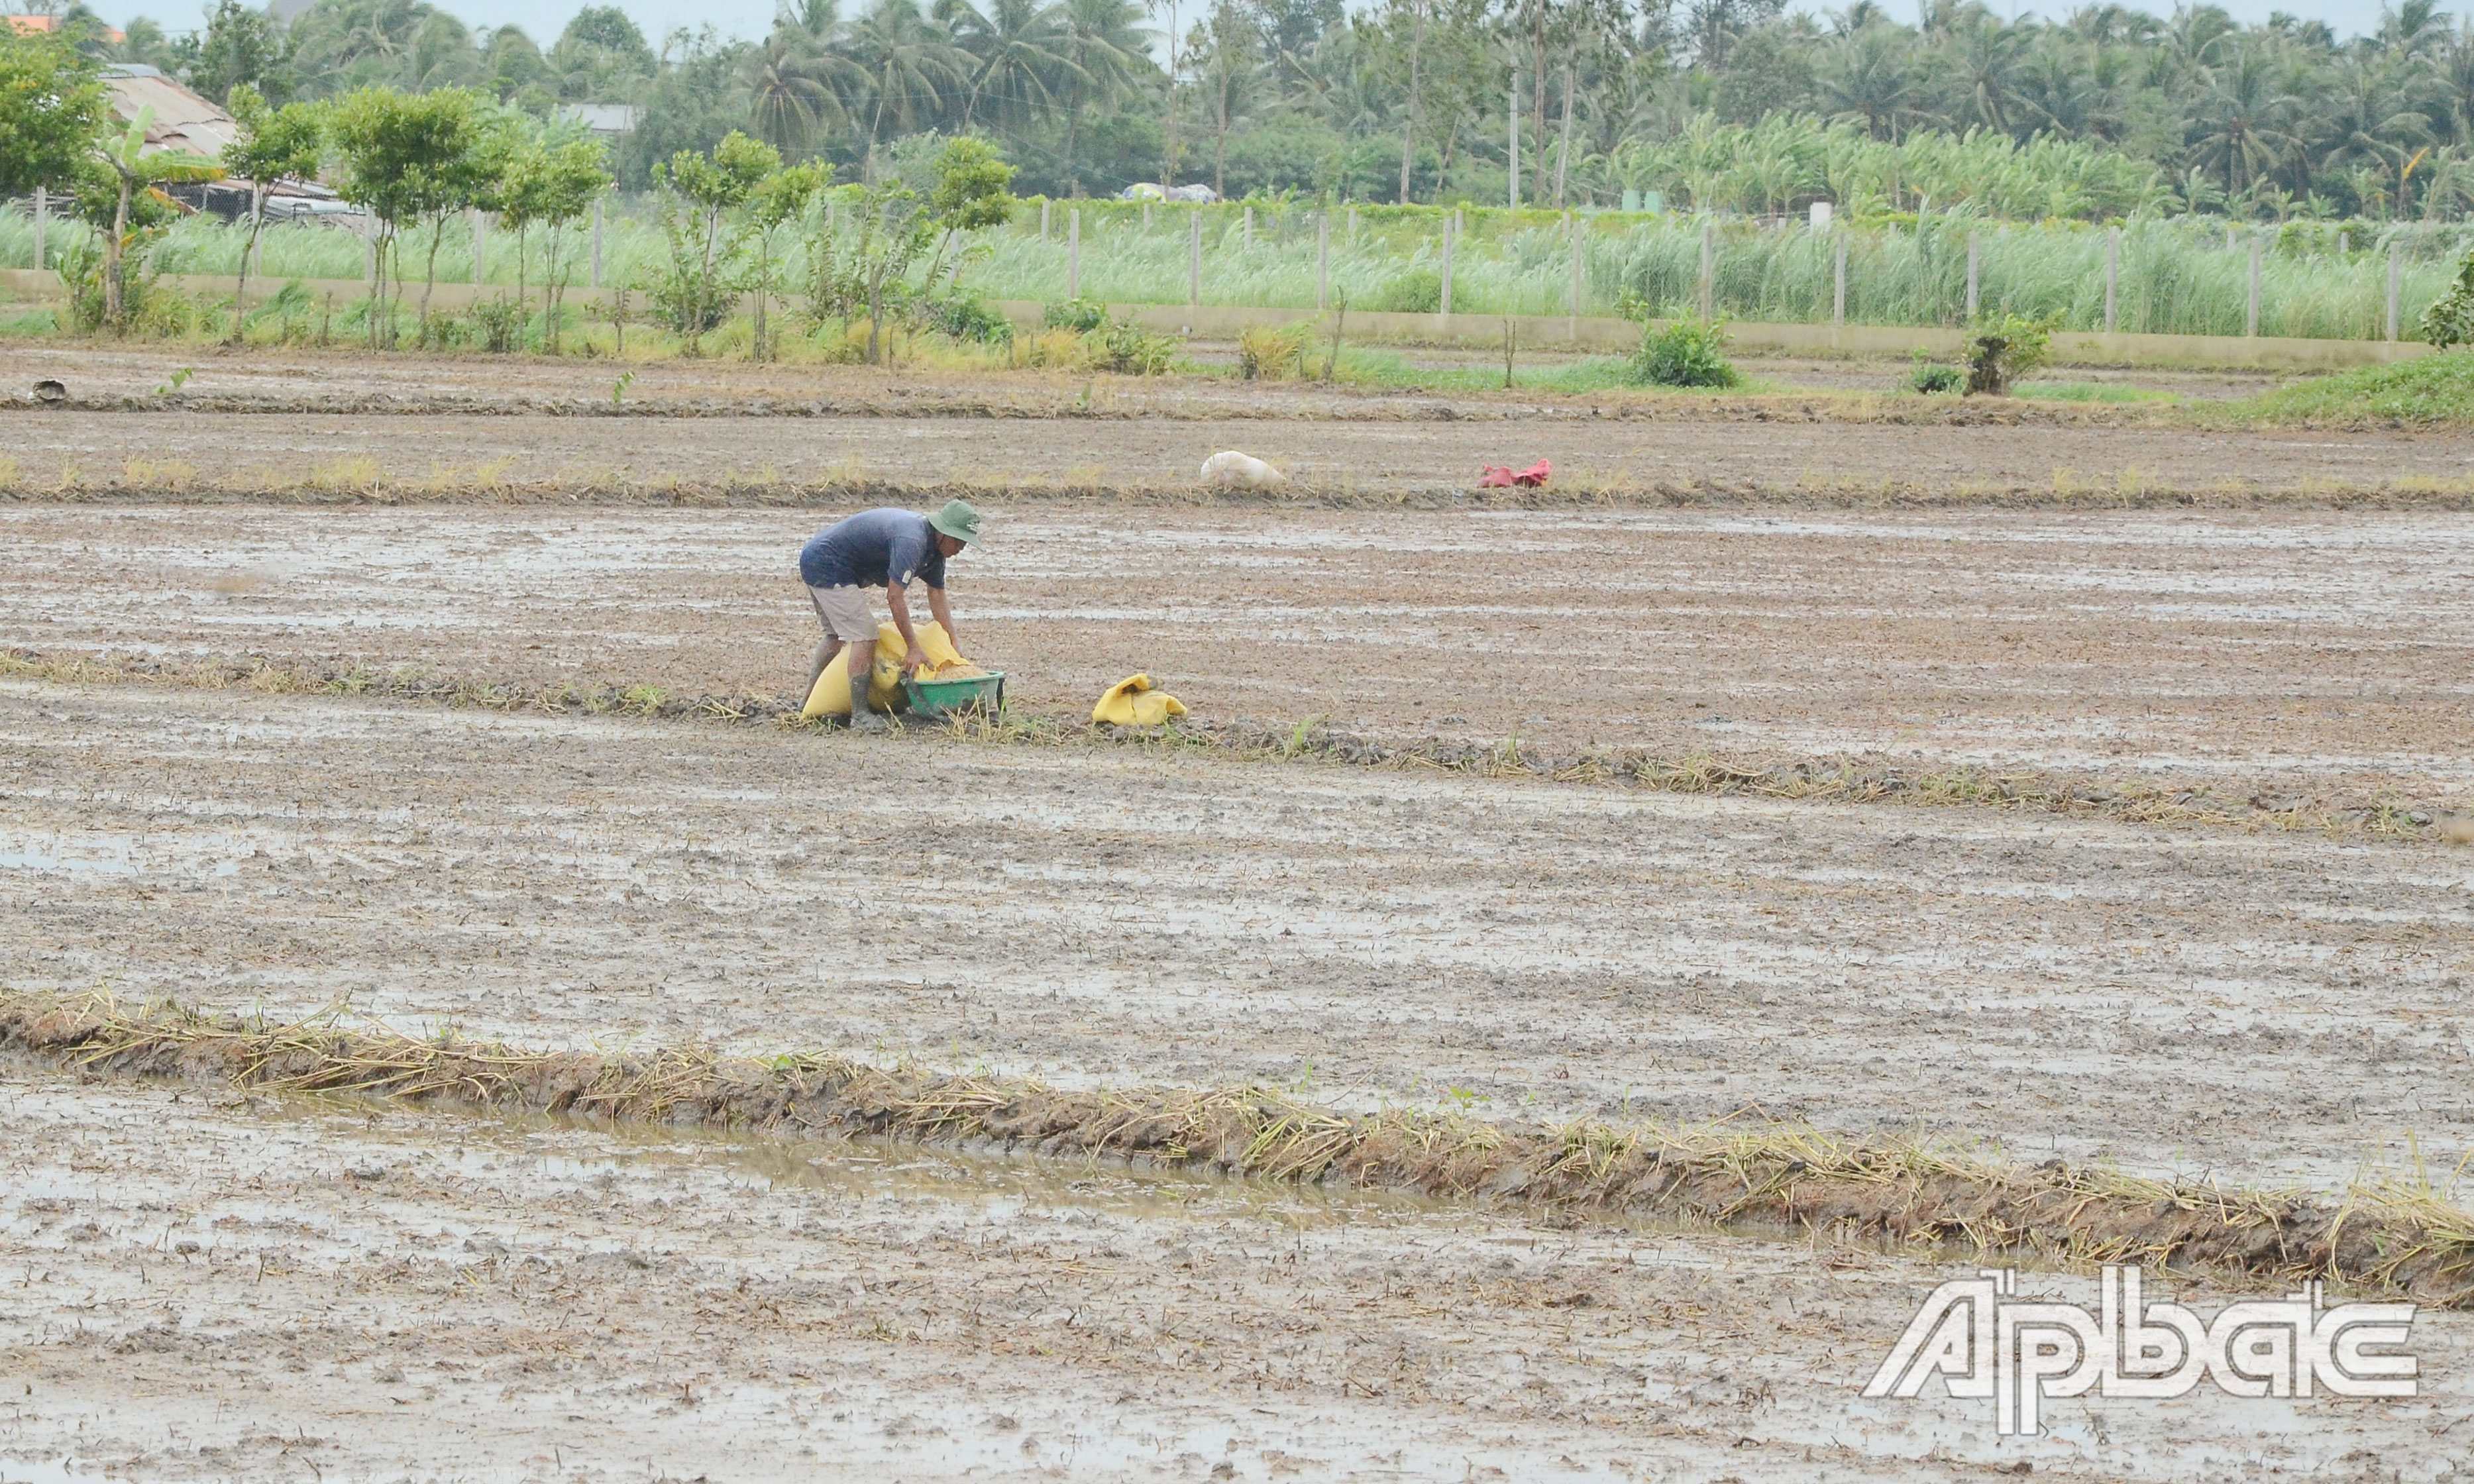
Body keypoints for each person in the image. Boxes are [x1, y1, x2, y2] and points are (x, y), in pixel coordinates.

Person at [799, 500, 985, 733]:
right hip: (826, 563)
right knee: (865, 635)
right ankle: (860, 715)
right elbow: (895, 597)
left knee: (836, 636)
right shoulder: (912, 541)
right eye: (959, 541)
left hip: (832, 563)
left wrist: (953, 643)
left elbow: (937, 594)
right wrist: (913, 647)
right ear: (943, 532)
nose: (961, 549)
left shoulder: (936, 551)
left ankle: (806, 703)